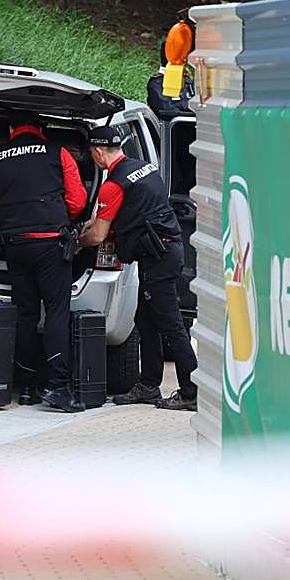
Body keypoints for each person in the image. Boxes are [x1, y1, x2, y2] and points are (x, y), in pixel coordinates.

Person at [0, 111, 87, 413]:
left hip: (15, 245)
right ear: (42, 129)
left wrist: (13, 222)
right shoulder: (58, 153)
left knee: (24, 314)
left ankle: (26, 389)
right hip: (51, 244)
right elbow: (77, 201)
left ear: (11, 128)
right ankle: (58, 387)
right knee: (56, 313)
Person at [79, 124, 197, 410]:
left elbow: (97, 236)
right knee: (145, 321)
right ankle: (148, 385)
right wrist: (94, 224)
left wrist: (78, 241)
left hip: (157, 258)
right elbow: (131, 212)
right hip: (164, 251)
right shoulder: (143, 168)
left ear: (97, 153)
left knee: (171, 324)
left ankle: (191, 391)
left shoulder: (114, 185)